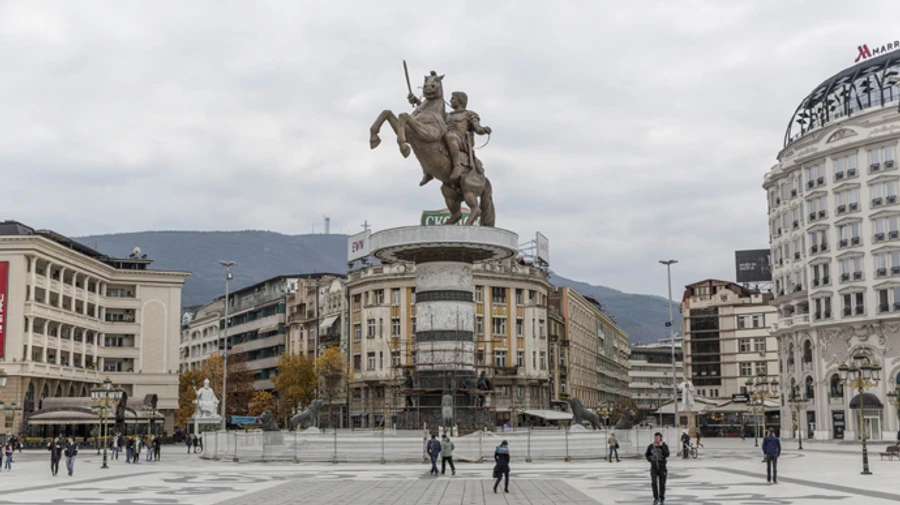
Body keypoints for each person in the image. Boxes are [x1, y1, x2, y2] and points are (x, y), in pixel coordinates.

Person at [645, 432, 669, 505]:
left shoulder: (664, 445)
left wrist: (661, 447)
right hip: (654, 468)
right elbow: (647, 454)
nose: (656, 439)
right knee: (654, 482)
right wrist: (650, 459)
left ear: (660, 438)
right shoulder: (651, 446)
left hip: (662, 467)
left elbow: (667, 454)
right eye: (655, 438)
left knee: (662, 483)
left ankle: (661, 497)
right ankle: (656, 498)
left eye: (657, 438)